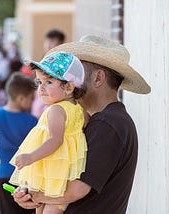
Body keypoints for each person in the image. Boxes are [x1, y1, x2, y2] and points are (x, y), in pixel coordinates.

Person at [13, 35, 151, 214]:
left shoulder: (107, 124)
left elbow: (76, 189)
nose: (67, 77)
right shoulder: (96, 120)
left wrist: (37, 196)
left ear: (98, 78)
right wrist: (30, 193)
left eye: (77, 70)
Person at [9, 51, 88, 214]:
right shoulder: (79, 109)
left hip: (51, 172)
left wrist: (30, 157)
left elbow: (55, 140)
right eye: (39, 82)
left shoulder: (56, 110)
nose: (41, 88)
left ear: (68, 87)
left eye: (49, 82)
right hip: (60, 173)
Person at [0, 72, 38, 214]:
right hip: (26, 180)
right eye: (31, 98)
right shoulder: (32, 121)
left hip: (4, 178)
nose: (32, 102)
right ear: (21, 98)